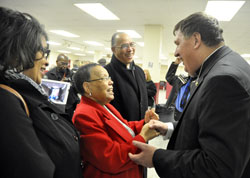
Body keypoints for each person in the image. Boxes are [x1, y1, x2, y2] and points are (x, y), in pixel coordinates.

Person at [129, 12, 250, 178]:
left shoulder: (222, 79)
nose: (176, 53)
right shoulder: (224, 66)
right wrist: (171, 129)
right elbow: (211, 126)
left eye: (178, 43)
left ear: (195, 40)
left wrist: (156, 157)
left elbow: (217, 167)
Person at [0, 7, 82, 178]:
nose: (46, 60)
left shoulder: (23, 91)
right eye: (43, 52)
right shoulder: (7, 100)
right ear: (19, 50)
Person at [72, 63, 160, 178]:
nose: (111, 82)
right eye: (104, 78)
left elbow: (124, 127)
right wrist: (143, 137)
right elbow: (110, 158)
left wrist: (144, 123)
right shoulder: (84, 115)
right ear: (87, 87)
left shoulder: (105, 105)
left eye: (109, 77)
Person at [105, 32, 148, 122]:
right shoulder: (106, 73)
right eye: (124, 46)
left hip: (140, 127)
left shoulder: (139, 71)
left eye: (132, 44)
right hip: (119, 129)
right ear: (113, 49)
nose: (130, 49)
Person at [45, 54, 80, 119]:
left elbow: (77, 90)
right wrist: (59, 84)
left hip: (69, 104)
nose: (64, 66)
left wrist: (72, 84)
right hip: (55, 104)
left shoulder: (72, 74)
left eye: (66, 64)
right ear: (57, 62)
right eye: (62, 63)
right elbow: (46, 89)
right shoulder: (49, 74)